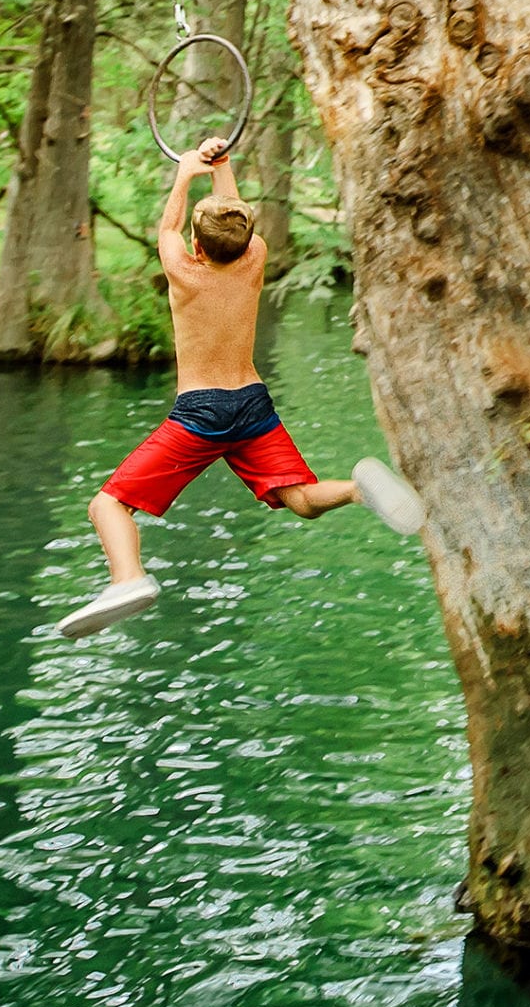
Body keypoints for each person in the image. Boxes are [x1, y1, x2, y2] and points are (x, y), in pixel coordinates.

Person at [56, 137, 425, 640]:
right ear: (247, 240)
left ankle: (128, 579)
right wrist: (222, 166)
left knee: (107, 504)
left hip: (201, 413)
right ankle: (359, 490)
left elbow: (167, 227)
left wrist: (186, 172)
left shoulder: (184, 271)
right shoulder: (255, 261)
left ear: (198, 248)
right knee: (297, 499)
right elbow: (235, 221)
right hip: (252, 405)